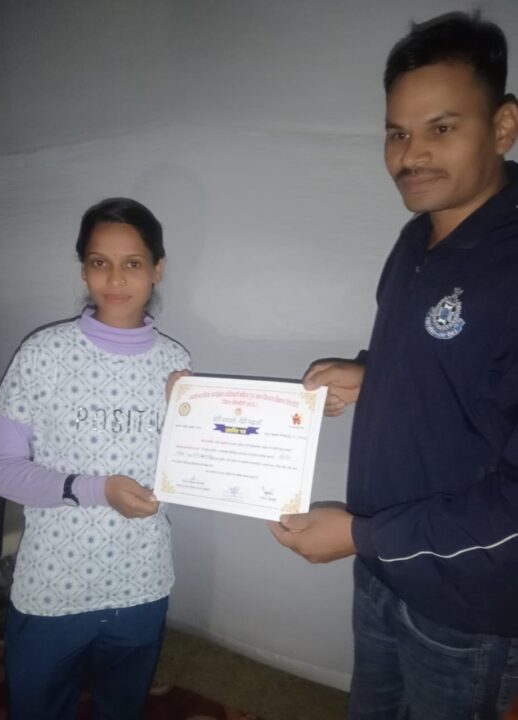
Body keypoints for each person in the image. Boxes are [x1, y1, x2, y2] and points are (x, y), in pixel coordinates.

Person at [270, 12, 518, 719]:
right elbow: (459, 370)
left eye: (441, 127)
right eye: (397, 133)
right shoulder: (416, 240)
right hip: (382, 569)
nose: (412, 155)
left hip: (465, 609)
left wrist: (358, 535)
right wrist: (372, 374)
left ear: (503, 126)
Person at [0, 197, 191, 720]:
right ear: (83, 268)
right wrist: (97, 489)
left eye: (133, 263)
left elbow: (188, 472)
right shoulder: (43, 353)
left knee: (123, 707)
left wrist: (195, 419)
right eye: (100, 262)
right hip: (55, 581)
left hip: (141, 579)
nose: (115, 279)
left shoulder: (176, 363)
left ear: (158, 269)